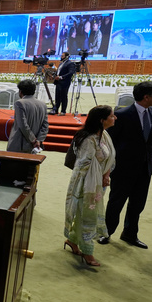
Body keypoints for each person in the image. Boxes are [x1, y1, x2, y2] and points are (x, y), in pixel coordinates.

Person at [98, 81, 152, 248]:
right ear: (146, 97)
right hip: (124, 168)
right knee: (116, 202)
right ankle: (106, 232)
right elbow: (110, 142)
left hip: (145, 167)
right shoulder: (123, 114)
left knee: (138, 203)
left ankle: (130, 234)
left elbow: (149, 141)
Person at [63, 106, 118, 268]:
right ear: (102, 120)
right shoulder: (89, 140)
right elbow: (83, 167)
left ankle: (72, 240)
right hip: (87, 185)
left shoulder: (104, 135)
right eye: (112, 116)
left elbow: (110, 157)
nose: (115, 118)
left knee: (84, 215)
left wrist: (105, 175)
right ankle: (88, 252)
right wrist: (98, 180)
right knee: (88, 216)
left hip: (98, 182)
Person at [7, 79, 49, 153]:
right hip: (35, 145)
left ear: (20, 91)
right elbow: (45, 125)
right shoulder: (43, 104)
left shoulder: (19, 103)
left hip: (20, 143)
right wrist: (38, 140)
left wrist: (33, 140)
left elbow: (23, 125)